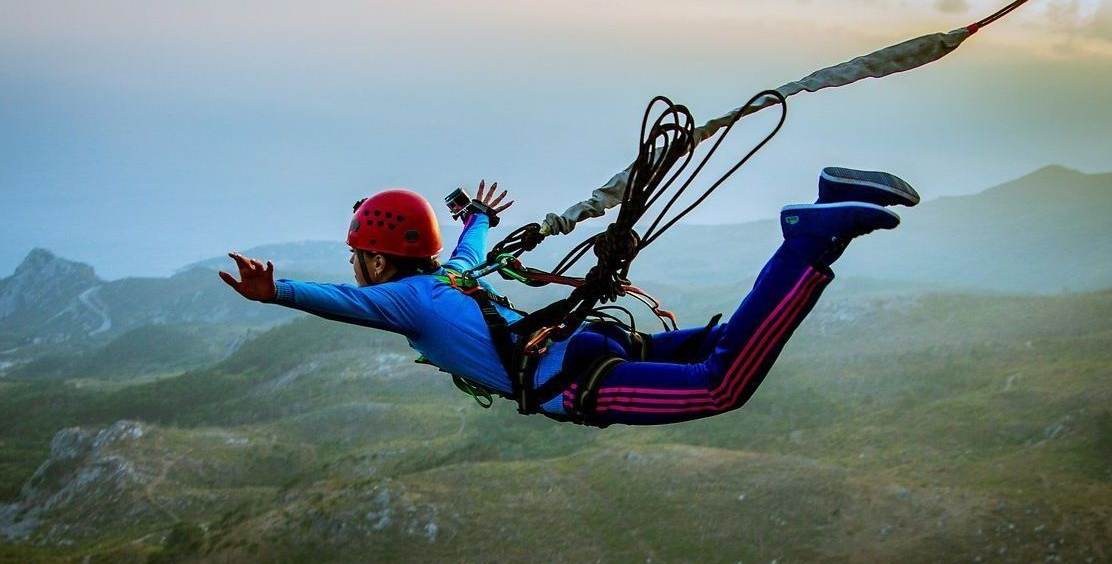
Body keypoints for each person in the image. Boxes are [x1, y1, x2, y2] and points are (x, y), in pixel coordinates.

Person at [220, 168, 919, 426]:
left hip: (575, 381)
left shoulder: (405, 302)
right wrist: (479, 214)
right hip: (586, 348)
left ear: (377, 256)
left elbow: (338, 301)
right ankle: (828, 209)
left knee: (721, 384)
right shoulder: (448, 277)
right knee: (717, 344)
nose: (355, 267)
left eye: (358, 256)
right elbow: (469, 246)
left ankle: (809, 239)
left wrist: (275, 292)